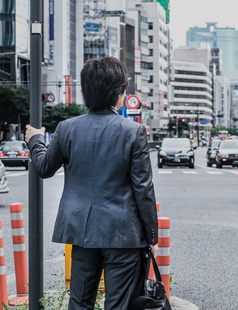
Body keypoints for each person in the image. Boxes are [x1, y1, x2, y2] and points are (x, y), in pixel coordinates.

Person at [25, 56, 158, 309]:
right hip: (123, 235)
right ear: (119, 93)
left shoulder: (67, 129)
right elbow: (143, 189)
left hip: (82, 232)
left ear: (87, 92)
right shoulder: (133, 131)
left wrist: (36, 141)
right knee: (118, 304)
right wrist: (152, 235)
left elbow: (43, 168)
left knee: (80, 302)